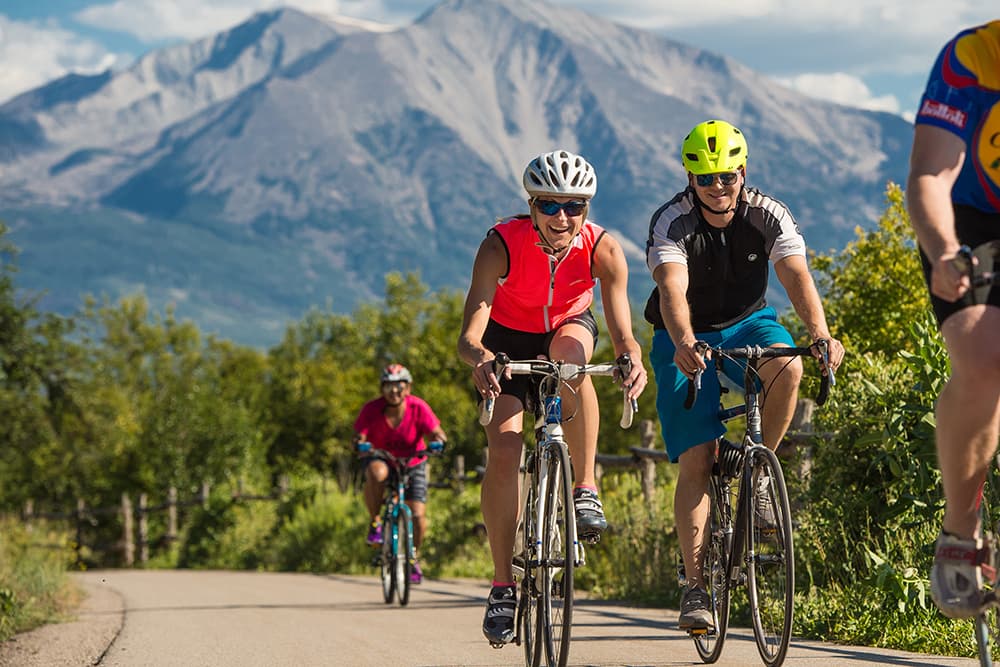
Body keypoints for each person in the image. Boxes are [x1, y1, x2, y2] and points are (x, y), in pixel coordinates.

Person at [644, 119, 845, 631]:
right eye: (705, 177)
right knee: (698, 458)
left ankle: (760, 469)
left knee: (789, 364)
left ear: (743, 171)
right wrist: (686, 341)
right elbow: (671, 288)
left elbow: (795, 273)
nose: (717, 187)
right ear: (689, 176)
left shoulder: (768, 214)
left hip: (748, 324)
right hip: (682, 333)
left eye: (727, 176)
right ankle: (695, 589)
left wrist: (821, 334)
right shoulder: (673, 221)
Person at [457, 149, 648, 646]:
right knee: (503, 452)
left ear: (586, 208)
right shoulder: (500, 243)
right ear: (531, 204)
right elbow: (470, 331)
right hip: (505, 341)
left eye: (574, 205)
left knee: (571, 363)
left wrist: (632, 357)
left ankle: (584, 487)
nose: (562, 217)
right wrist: (479, 358)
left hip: (568, 327)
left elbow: (622, 330)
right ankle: (502, 585)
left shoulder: (603, 249)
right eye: (548, 205)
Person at [905, 20, 1000, 620]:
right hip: (969, 220)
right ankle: (960, 534)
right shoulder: (973, 57)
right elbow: (930, 175)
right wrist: (943, 252)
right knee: (984, 357)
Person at [353, 363, 447, 585]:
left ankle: (413, 556)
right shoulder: (371, 409)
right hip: (383, 458)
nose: (393, 391)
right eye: (388, 386)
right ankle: (375, 522)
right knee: (377, 473)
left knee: (417, 515)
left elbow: (436, 432)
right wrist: (360, 444)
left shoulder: (418, 407)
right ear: (381, 388)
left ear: (408, 387)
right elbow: (358, 437)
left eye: (399, 386)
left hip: (413, 462)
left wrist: (439, 442)